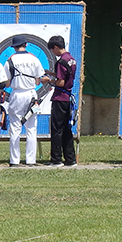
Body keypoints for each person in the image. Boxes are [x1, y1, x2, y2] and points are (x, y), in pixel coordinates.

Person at [4, 35, 45, 167]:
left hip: (17, 94)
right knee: (31, 128)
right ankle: (31, 160)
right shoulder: (34, 59)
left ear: (14, 47)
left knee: (15, 128)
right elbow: (38, 80)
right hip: (31, 94)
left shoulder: (10, 60)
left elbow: (7, 83)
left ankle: (14, 161)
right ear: (26, 45)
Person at [41, 35, 77, 167]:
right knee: (66, 129)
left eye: (52, 50)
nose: (53, 53)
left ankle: (56, 159)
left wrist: (48, 80)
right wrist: (52, 73)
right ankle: (70, 159)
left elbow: (61, 82)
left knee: (56, 129)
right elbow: (66, 76)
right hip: (67, 99)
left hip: (60, 97)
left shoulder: (61, 61)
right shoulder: (71, 59)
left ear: (56, 47)